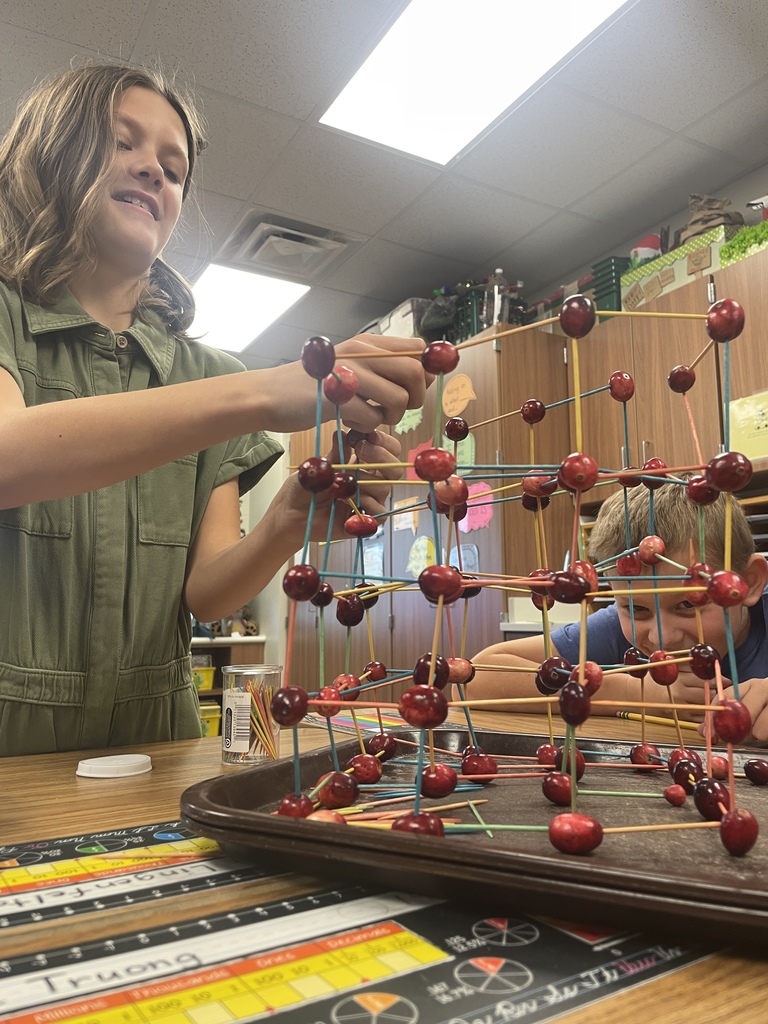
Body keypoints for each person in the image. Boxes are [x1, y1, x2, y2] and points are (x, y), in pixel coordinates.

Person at [0, 63, 431, 756]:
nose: (155, 172)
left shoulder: (204, 373)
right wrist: (261, 392)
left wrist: (289, 519)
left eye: (174, 168)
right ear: (50, 154)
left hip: (156, 743)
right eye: (122, 142)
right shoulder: (9, 319)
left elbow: (206, 595)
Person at [464, 483, 768, 742]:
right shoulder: (614, 628)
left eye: (688, 604)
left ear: (750, 583)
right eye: (636, 608)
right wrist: (637, 693)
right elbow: (475, 679)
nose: (660, 637)